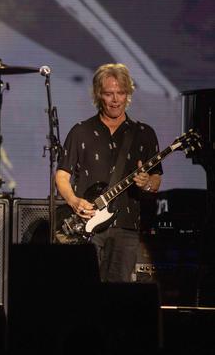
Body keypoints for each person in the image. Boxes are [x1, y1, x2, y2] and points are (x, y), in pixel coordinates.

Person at [55, 63, 162, 282]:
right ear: (98, 95)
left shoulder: (144, 134)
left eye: (121, 93)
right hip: (85, 225)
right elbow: (62, 175)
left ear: (128, 94)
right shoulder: (80, 131)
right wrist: (74, 201)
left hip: (126, 226)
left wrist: (146, 183)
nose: (115, 99)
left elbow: (156, 178)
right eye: (109, 94)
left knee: (116, 297)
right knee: (83, 289)